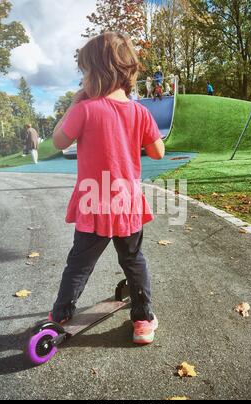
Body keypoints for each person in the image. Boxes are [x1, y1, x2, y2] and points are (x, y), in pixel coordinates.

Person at [50, 32, 165, 345]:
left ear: (96, 73)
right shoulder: (140, 112)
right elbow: (158, 153)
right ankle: (143, 319)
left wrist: (74, 103)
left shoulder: (85, 109)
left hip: (93, 203)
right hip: (127, 204)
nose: (84, 78)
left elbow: (58, 141)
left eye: (85, 71)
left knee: (79, 263)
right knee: (133, 260)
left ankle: (60, 313)